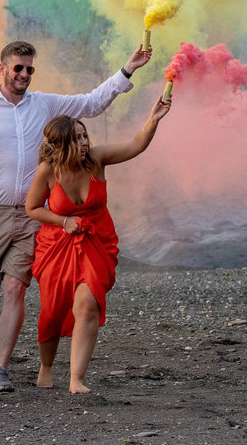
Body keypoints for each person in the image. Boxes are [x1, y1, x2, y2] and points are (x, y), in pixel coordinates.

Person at [0, 40, 151, 392]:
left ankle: (1, 368)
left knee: (15, 287)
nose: (24, 74)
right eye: (18, 68)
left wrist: (127, 69)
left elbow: (90, 103)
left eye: (29, 69)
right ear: (2, 68)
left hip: (36, 216)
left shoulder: (44, 104)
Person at [25, 97, 169, 393]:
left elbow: (135, 145)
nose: (84, 143)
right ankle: (47, 366)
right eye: (76, 139)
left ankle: (76, 378)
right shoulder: (47, 171)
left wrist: (153, 120)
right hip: (57, 247)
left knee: (87, 305)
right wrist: (64, 221)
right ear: (62, 145)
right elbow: (32, 208)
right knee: (52, 312)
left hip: (96, 244)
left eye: (84, 136)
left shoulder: (97, 159)